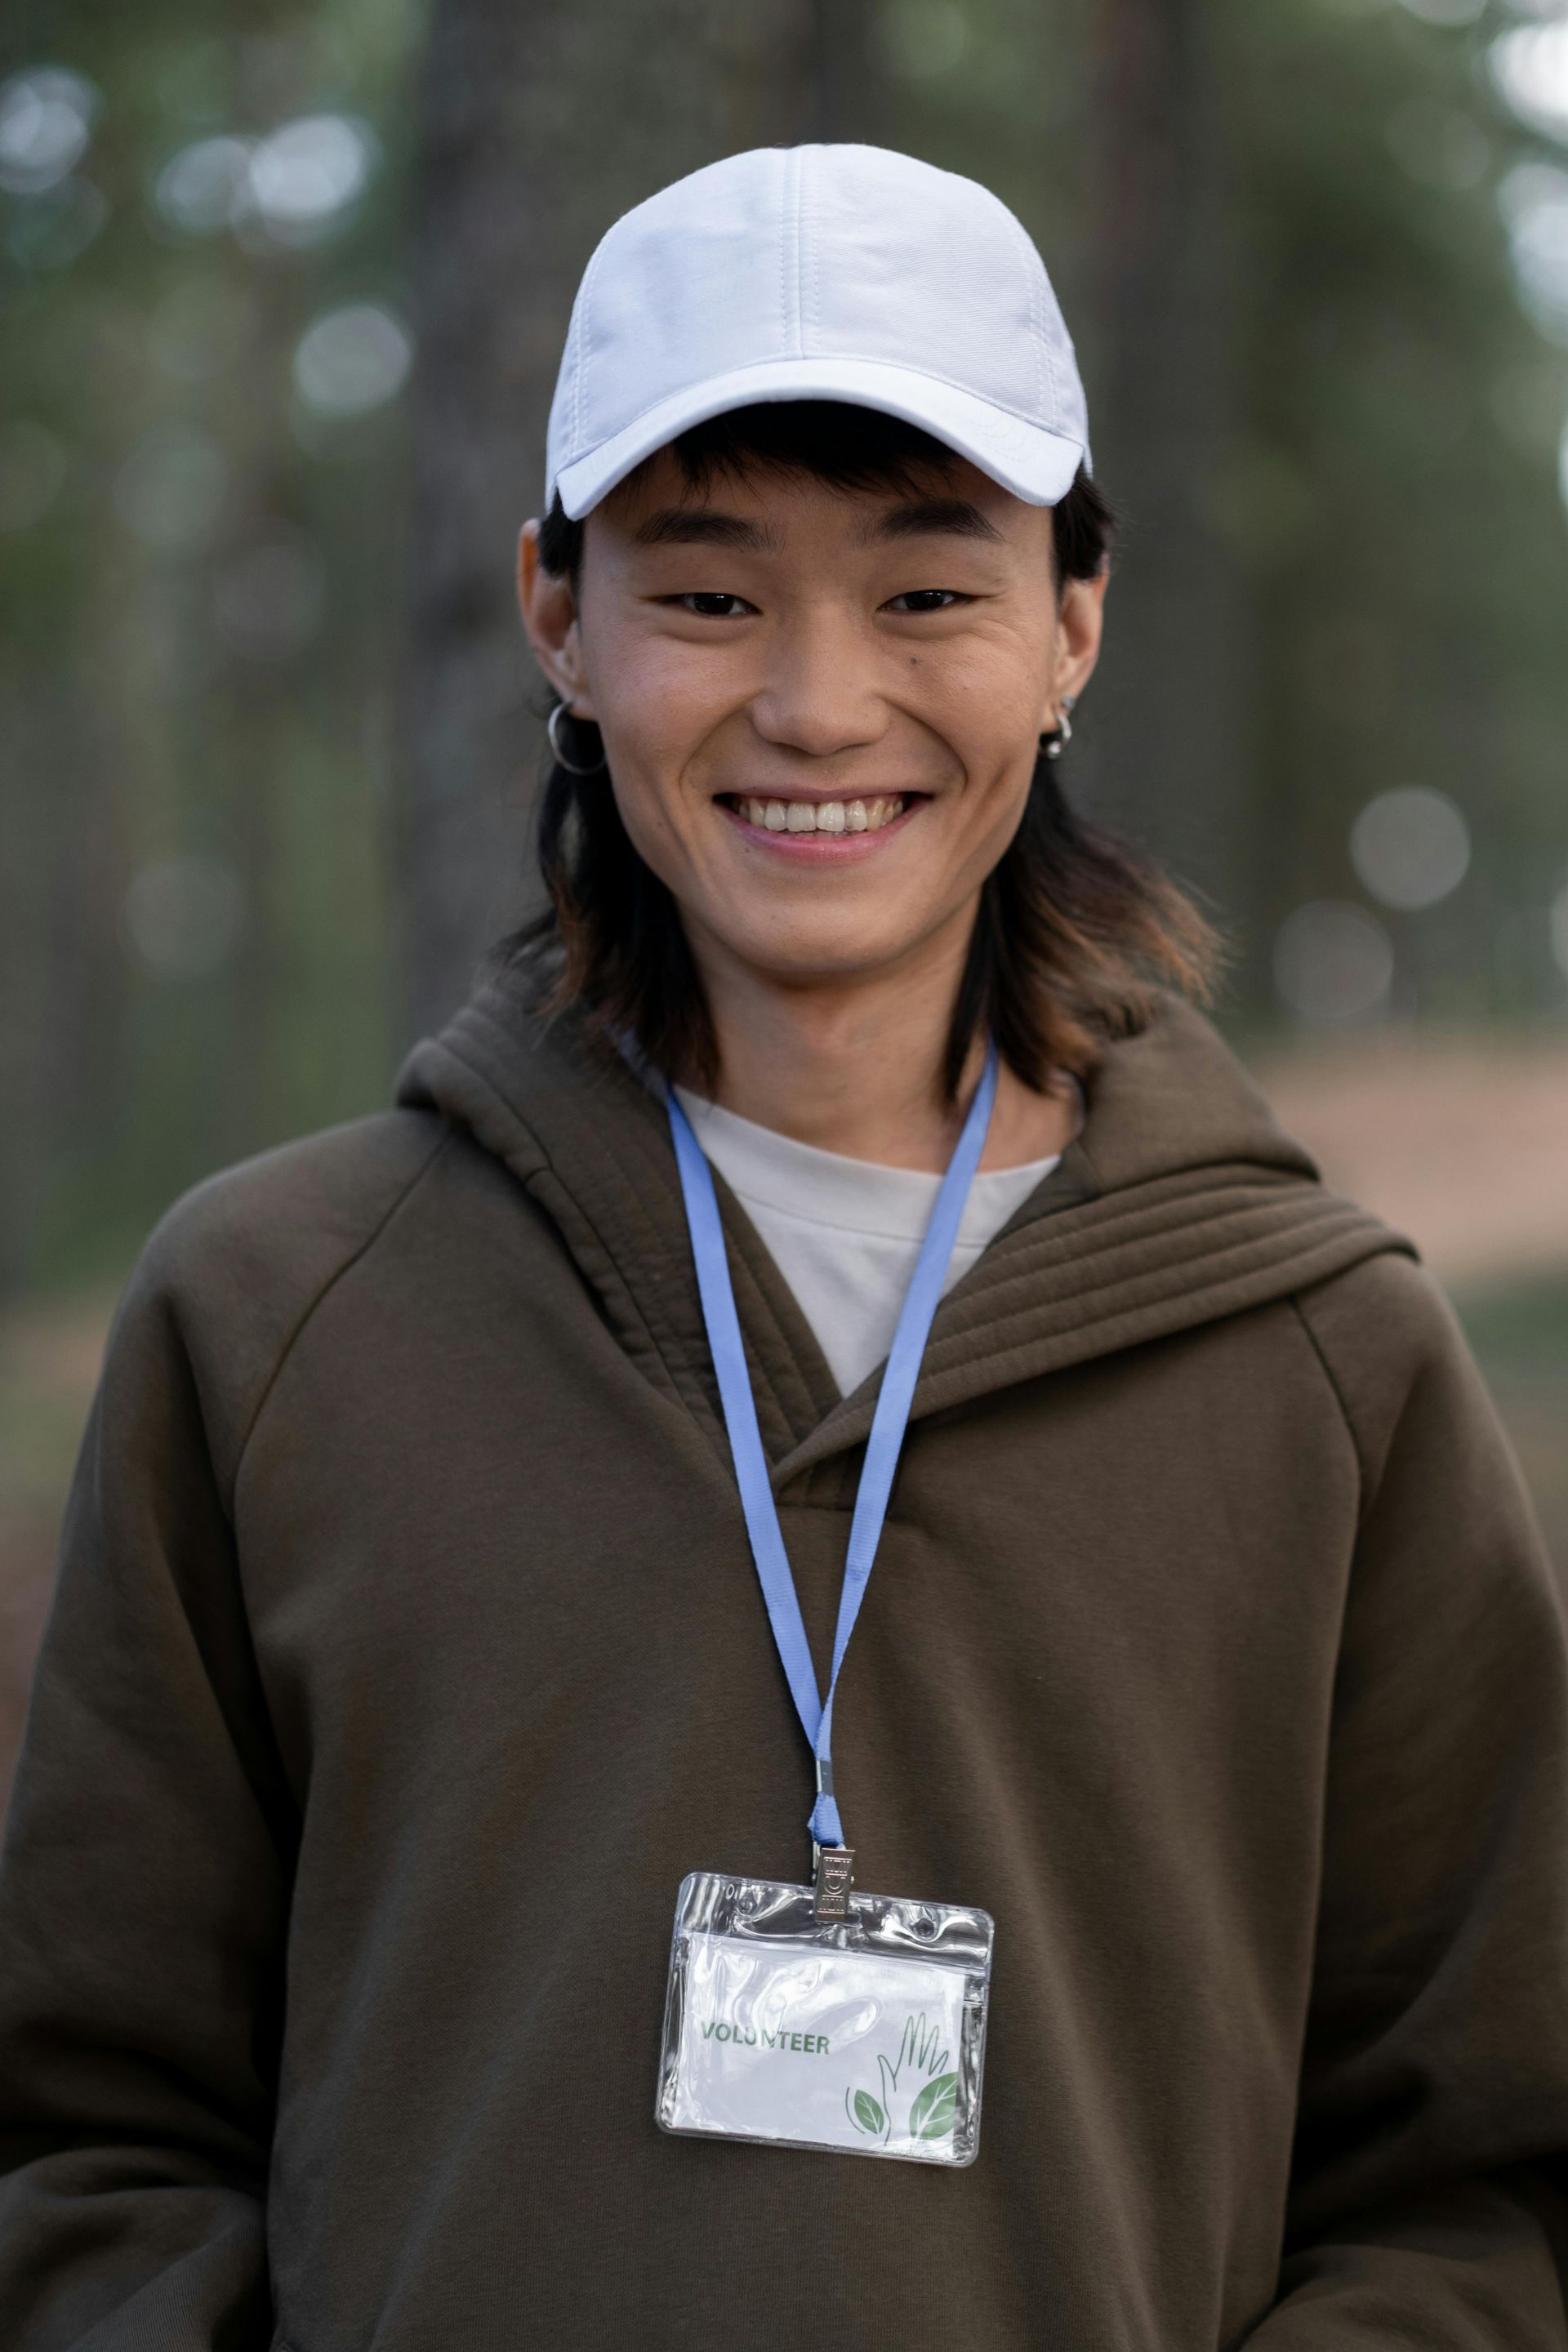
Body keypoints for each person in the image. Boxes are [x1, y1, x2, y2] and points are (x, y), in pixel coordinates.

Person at [1, 142, 1565, 2352]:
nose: (821, 705)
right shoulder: (275, 1323)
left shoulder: (1330, 1376)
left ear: (1072, 625)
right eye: (712, 594)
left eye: (929, 592)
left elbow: (1482, 2186)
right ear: (557, 612)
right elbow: (88, 2141)